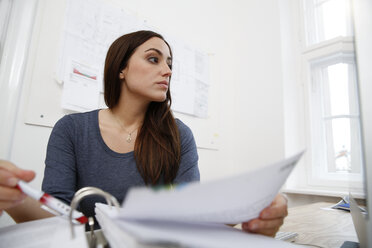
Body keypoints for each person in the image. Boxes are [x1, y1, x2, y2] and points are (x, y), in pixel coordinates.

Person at [0, 30, 288, 237]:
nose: (167, 71)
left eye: (170, 63)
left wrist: (255, 211)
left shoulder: (178, 135)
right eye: (154, 59)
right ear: (121, 68)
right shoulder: (72, 129)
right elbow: (58, 214)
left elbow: (192, 213)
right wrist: (14, 196)